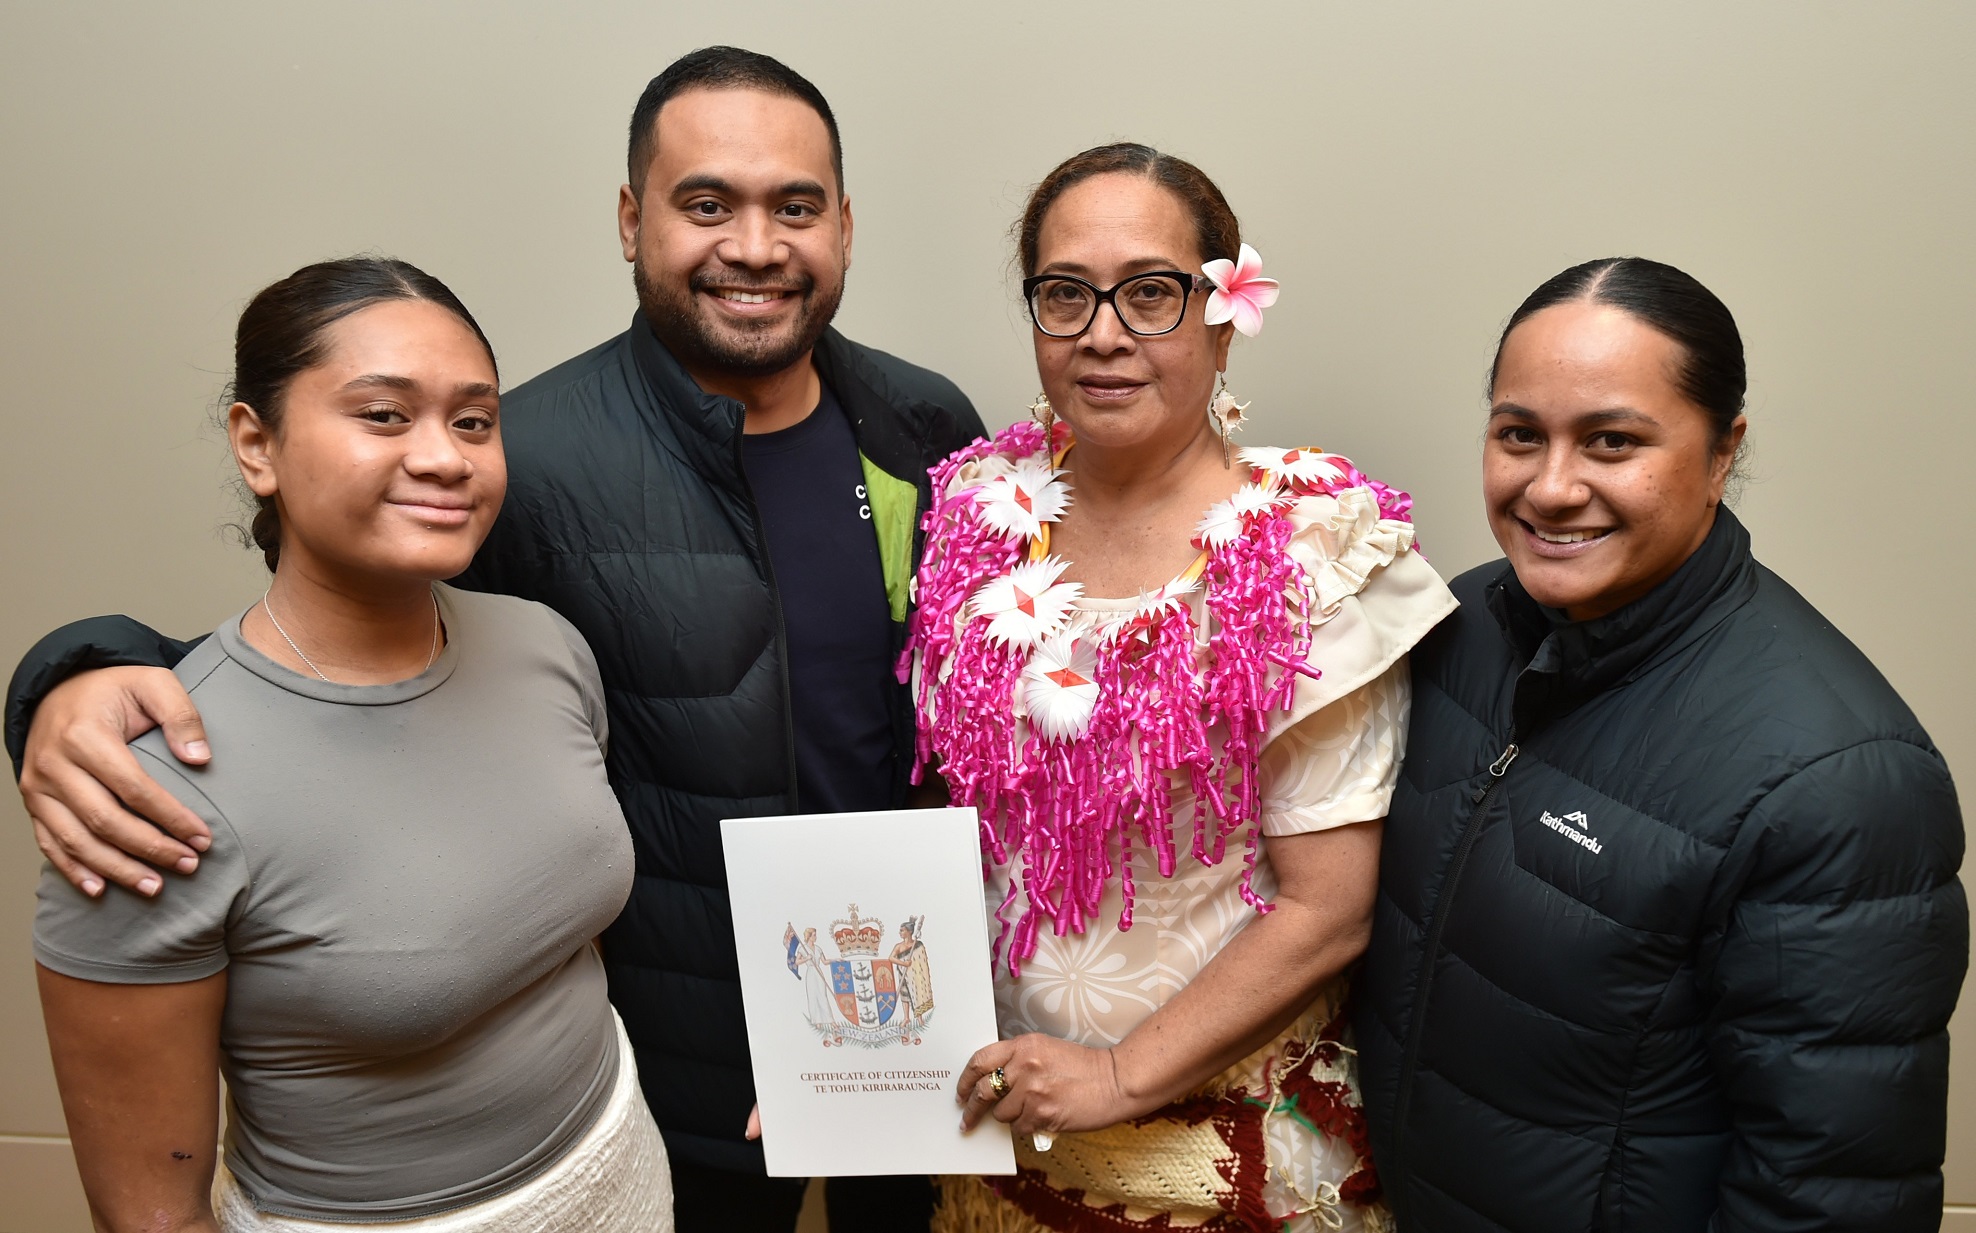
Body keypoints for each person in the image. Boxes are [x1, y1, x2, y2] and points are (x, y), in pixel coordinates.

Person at [6, 47, 981, 1233]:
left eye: (796, 206)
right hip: (673, 1073)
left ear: (843, 224)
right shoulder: (522, 455)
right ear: (632, 220)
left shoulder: (925, 421)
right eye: (706, 203)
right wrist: (81, 665)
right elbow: (336, 647)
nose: (757, 247)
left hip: (900, 1015)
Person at [33, 257, 673, 1229]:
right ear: (257, 444)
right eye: (383, 415)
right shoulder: (143, 786)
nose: (445, 457)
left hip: (621, 1172)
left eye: (473, 420)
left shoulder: (544, 646)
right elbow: (153, 1214)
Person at [908, 143, 1458, 1233]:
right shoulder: (978, 511)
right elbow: (944, 820)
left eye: (1150, 293)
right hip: (1000, 1135)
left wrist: (1115, 1080)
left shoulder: (1303, 552)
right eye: (1064, 294)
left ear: (1221, 313)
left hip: (1219, 1160)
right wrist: (844, 1062)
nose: (1102, 333)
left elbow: (1328, 906)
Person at [1354, 257, 1968, 1231]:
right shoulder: (1453, 624)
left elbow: (1827, 1197)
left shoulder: (1840, 780)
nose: (1551, 488)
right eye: (1518, 435)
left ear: (1721, 450)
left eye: (1610, 441)